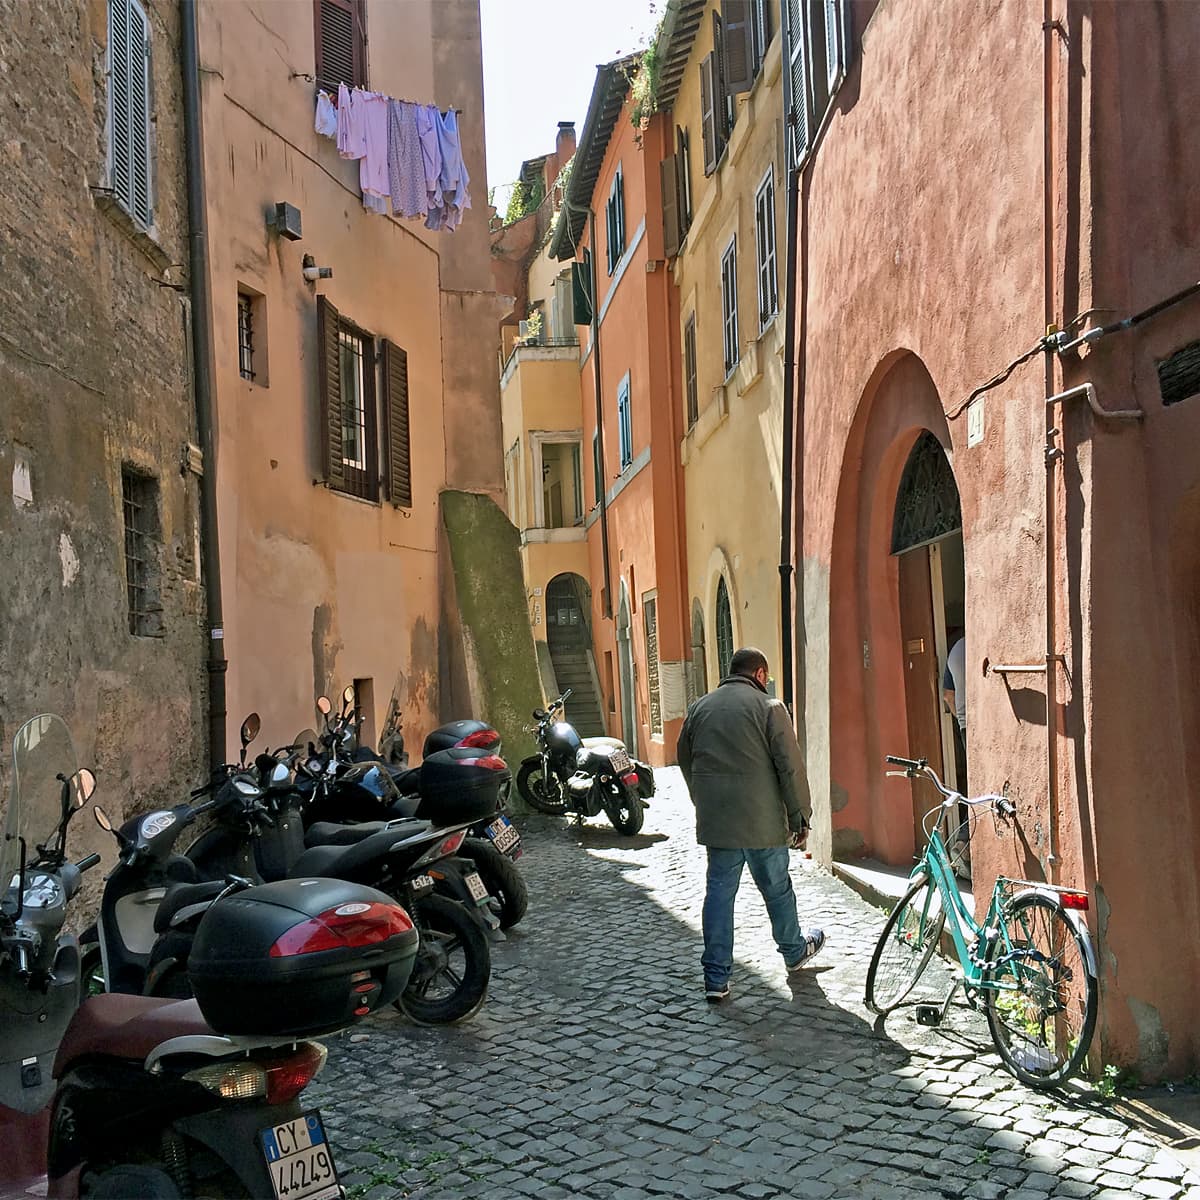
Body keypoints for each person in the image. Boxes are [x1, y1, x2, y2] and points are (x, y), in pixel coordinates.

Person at [676, 646, 825, 1003]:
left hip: (720, 824)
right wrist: (799, 815)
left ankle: (715, 978)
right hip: (763, 822)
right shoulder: (769, 708)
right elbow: (790, 766)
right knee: (776, 888)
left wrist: (703, 800)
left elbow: (684, 758)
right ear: (760, 674)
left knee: (719, 895)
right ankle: (793, 951)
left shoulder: (700, 708)